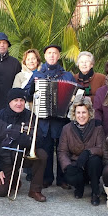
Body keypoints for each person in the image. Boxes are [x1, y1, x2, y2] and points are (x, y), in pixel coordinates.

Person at [0, 88, 48, 201]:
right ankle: (14, 179)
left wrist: (28, 140)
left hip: (23, 156)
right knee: (0, 192)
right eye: (15, 100)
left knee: (42, 155)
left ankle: (35, 190)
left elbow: (40, 139)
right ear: (9, 101)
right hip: (4, 159)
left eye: (22, 100)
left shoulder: (31, 116)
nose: (19, 103)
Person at [30, 44, 75, 189]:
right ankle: (47, 178)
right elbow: (26, 93)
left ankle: (63, 179)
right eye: (49, 53)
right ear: (45, 56)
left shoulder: (67, 75)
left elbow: (76, 93)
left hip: (61, 120)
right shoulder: (37, 75)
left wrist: (73, 99)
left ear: (59, 56)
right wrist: (34, 90)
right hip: (44, 121)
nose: (52, 55)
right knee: (46, 149)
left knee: (63, 149)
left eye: (55, 53)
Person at [57, 97, 104, 205]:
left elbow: (101, 148)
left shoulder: (97, 127)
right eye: (78, 112)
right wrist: (67, 166)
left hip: (91, 163)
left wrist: (88, 152)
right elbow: (62, 151)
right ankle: (79, 186)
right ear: (74, 113)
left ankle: (95, 192)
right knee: (70, 175)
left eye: (84, 112)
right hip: (75, 163)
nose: (81, 116)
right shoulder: (67, 128)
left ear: (89, 113)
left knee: (95, 161)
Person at [0, 32, 22, 114]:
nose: (2, 45)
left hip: (9, 106)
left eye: (4, 43)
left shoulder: (15, 63)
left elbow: (18, 84)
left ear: (7, 45)